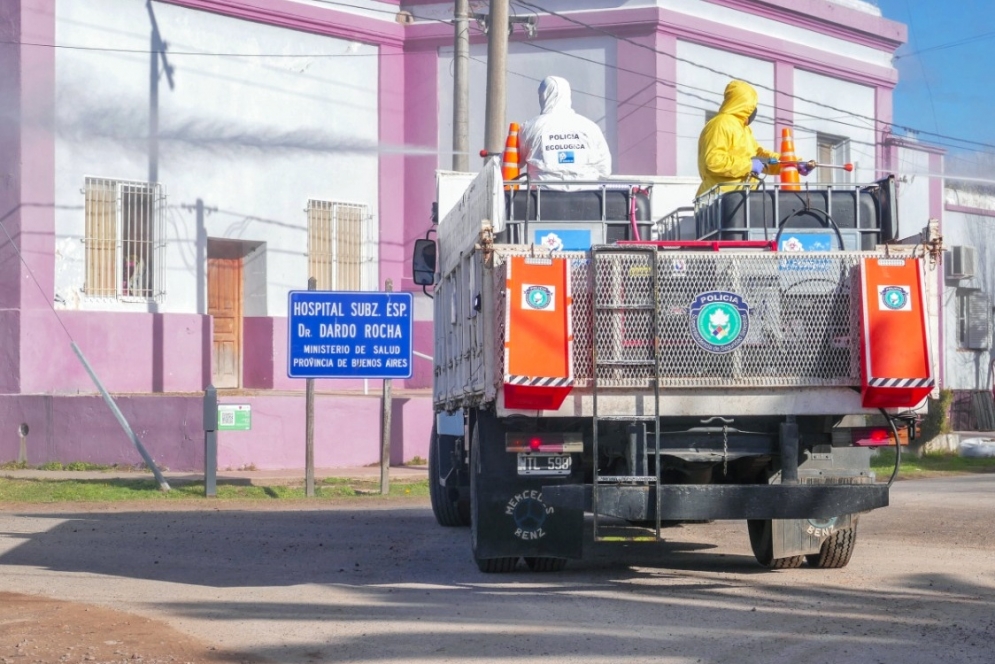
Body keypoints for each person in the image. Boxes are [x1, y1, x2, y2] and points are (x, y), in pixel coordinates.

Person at [696, 79, 812, 197]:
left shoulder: (743, 129)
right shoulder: (721, 123)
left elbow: (760, 156)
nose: (754, 110)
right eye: (753, 106)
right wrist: (749, 166)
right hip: (719, 200)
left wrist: (791, 163)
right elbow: (713, 162)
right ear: (744, 105)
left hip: (738, 198)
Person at [519, 76, 612, 190]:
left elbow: (516, 163)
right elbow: (605, 170)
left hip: (541, 200)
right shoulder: (590, 128)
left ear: (543, 96)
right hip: (588, 198)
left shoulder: (530, 127)